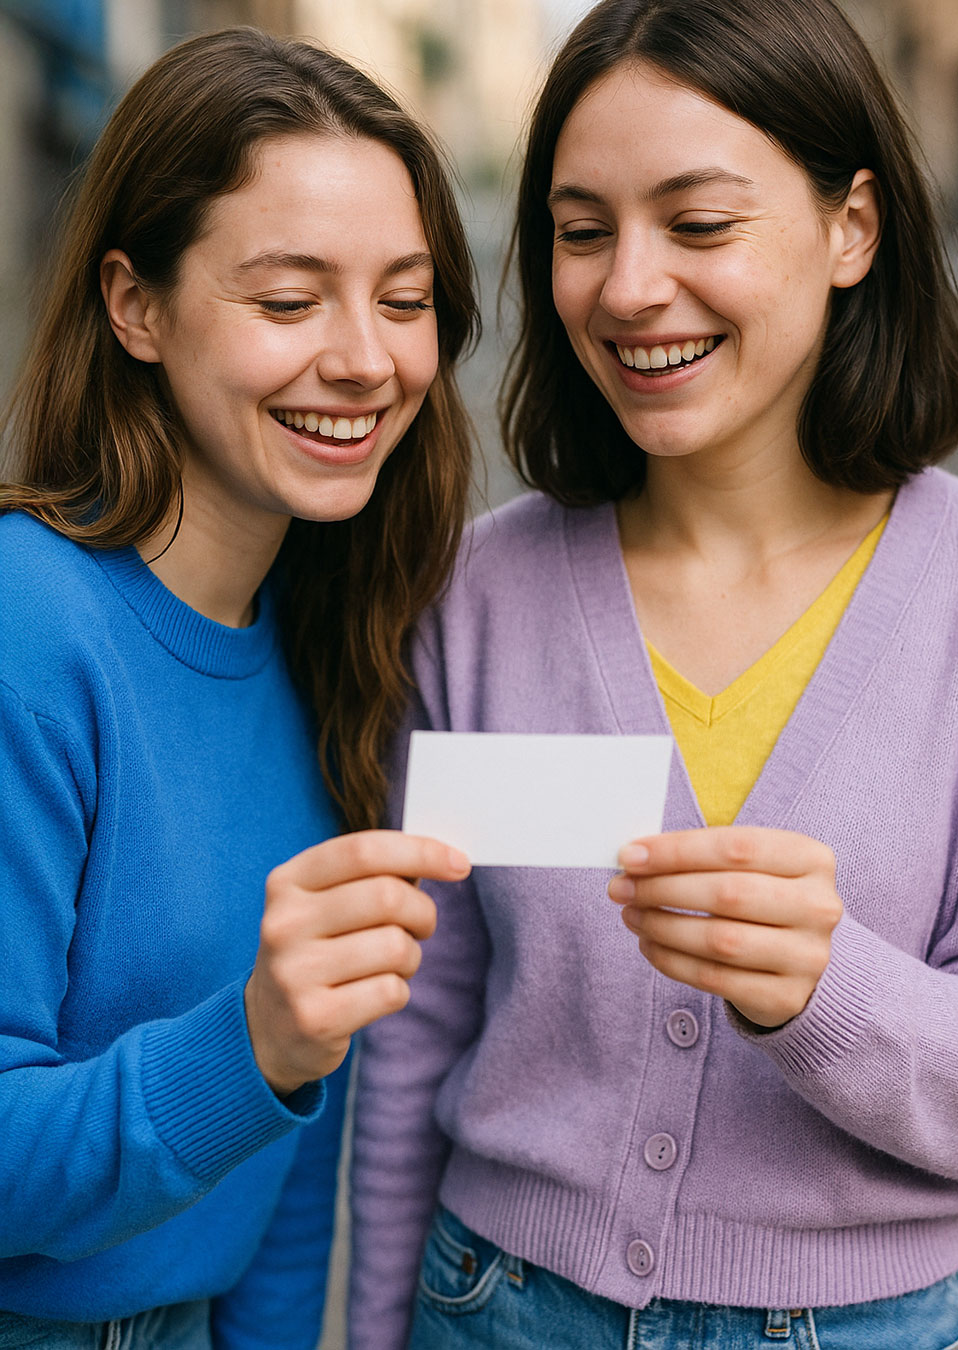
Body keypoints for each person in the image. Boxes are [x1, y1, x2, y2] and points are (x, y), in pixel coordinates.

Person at [348, 0, 958, 1346]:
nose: (628, 286)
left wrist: (829, 988)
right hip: (493, 1306)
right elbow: (414, 1042)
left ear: (852, 228)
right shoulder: (478, 596)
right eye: (581, 230)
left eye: (698, 224)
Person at [0, 26, 477, 1350]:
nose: (366, 358)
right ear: (133, 305)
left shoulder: (334, 634)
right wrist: (253, 1042)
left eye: (404, 295)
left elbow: (291, 1144)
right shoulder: (27, 626)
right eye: (288, 301)